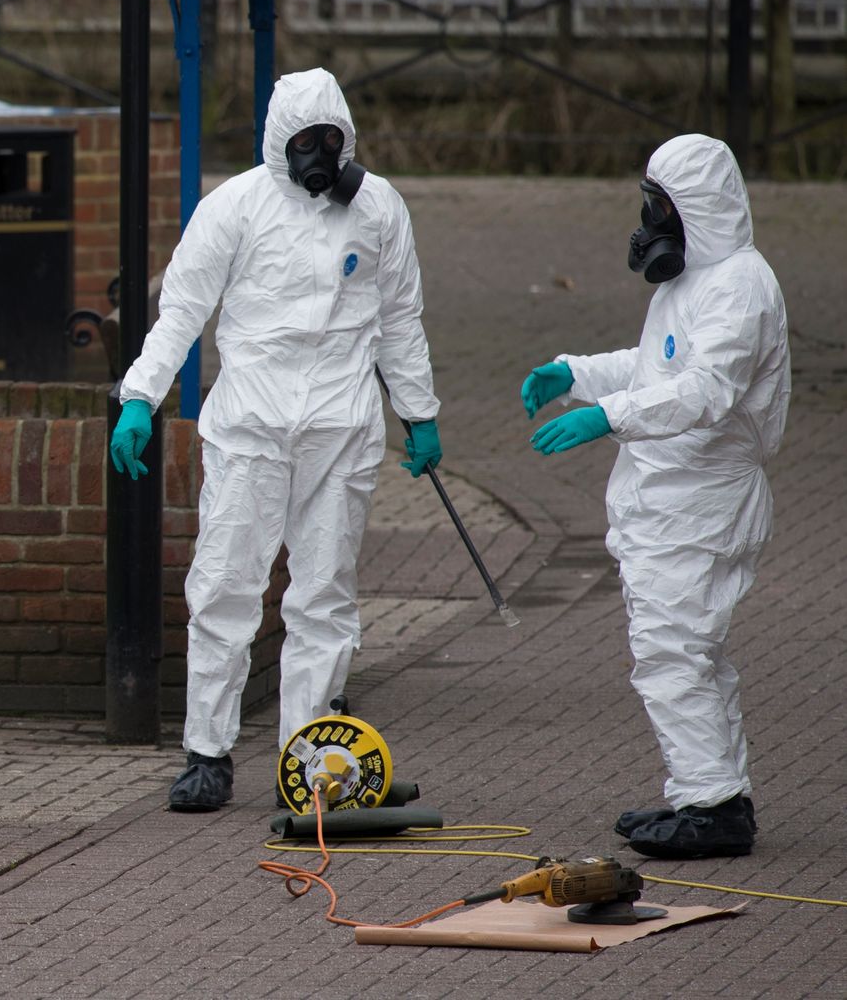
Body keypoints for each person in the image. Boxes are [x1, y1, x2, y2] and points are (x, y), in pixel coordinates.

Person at [108, 68, 443, 812]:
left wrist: (418, 412)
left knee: (324, 595)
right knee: (226, 584)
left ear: (347, 137)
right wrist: (140, 396)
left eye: (331, 140)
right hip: (251, 426)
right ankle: (207, 751)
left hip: (342, 427)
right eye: (305, 141)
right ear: (277, 142)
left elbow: (400, 319)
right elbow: (181, 311)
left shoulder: (378, 208)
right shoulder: (235, 208)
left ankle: (310, 759)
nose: (319, 154)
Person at [523, 133, 789, 859]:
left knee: (673, 653)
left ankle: (709, 808)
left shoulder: (739, 287)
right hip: (671, 499)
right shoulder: (695, 278)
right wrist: (572, 374)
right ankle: (711, 792)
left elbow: (703, 393)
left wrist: (605, 416)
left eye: (658, 207)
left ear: (693, 210)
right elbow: (654, 368)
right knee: (687, 654)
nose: (647, 223)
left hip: (701, 503)